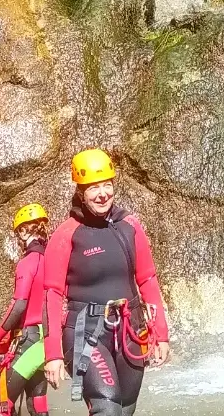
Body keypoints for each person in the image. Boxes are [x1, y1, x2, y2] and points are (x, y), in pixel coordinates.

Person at [41, 149, 171, 416]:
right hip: (86, 332)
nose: (102, 194)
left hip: (130, 329)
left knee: (125, 409)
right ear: (80, 193)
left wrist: (161, 334)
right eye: (93, 188)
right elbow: (51, 294)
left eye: (107, 185)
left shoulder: (129, 225)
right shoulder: (67, 234)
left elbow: (147, 279)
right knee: (106, 408)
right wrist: (52, 353)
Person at [0, 203, 51, 416]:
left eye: (18, 234)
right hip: (45, 342)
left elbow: (19, 305)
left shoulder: (27, 263)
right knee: (37, 406)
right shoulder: (51, 262)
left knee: (0, 406)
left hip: (29, 340)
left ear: (23, 231)